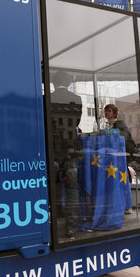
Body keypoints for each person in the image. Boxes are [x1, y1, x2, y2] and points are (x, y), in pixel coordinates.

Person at [50, 71, 82, 238]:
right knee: (72, 188)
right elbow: (76, 123)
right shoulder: (77, 99)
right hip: (70, 149)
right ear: (69, 83)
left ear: (54, 83)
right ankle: (71, 227)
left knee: (51, 187)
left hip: (52, 150)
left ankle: (53, 221)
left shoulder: (46, 98)